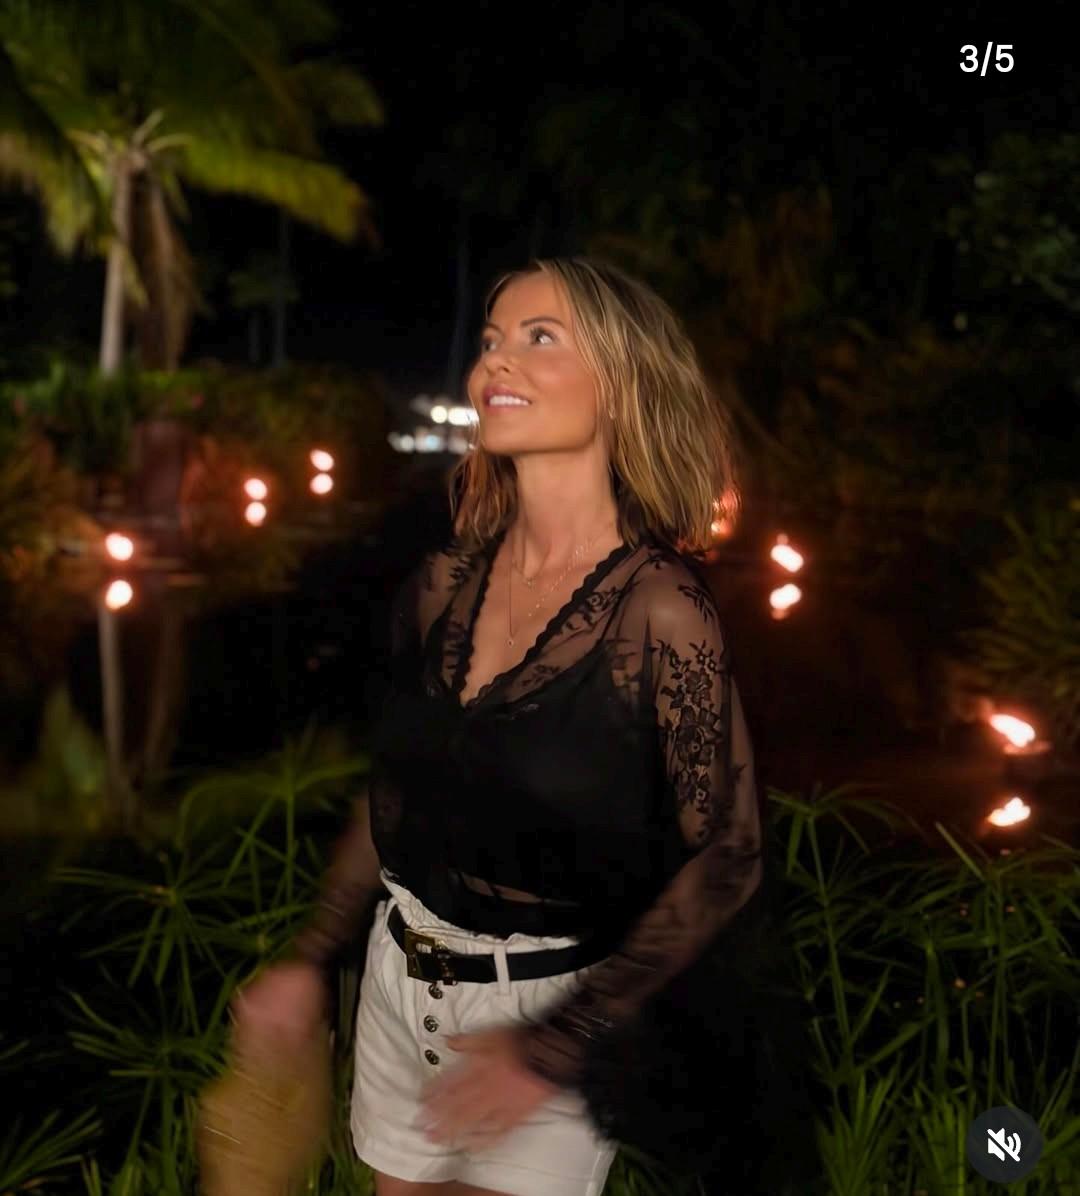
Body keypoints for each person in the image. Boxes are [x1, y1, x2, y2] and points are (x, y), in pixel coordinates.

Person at [231, 256, 766, 1196]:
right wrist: (311, 959)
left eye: (539, 337)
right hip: (399, 985)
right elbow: (396, 795)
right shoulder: (441, 584)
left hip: (549, 1014)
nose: (494, 363)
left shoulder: (660, 609)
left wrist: (554, 1045)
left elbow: (726, 853)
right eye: (490, 340)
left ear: (621, 382)